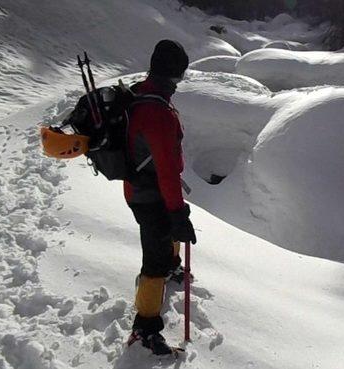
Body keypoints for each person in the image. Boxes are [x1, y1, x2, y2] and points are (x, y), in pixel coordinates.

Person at [124, 39, 197, 355]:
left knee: (167, 231)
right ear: (173, 74)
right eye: (180, 75)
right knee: (153, 259)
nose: (180, 82)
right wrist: (179, 214)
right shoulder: (159, 113)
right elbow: (167, 171)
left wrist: (176, 214)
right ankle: (144, 329)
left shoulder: (138, 93)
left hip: (137, 187)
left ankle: (172, 265)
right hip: (150, 193)